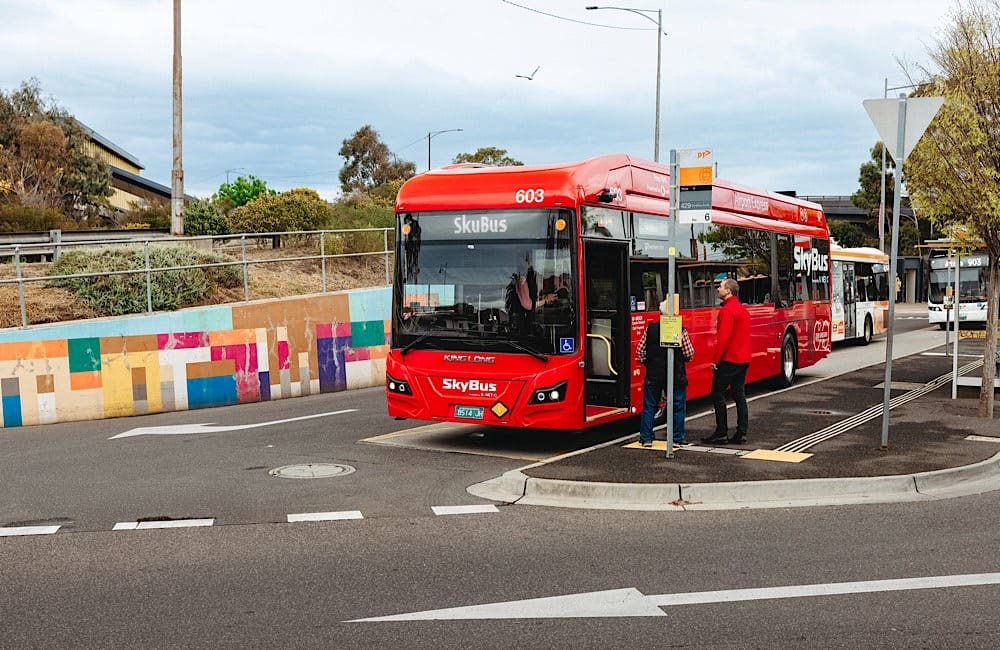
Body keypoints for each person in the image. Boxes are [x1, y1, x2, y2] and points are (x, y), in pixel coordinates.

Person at [636, 300, 695, 448]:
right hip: (676, 374)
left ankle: (646, 438)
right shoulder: (680, 330)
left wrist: (648, 363)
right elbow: (689, 353)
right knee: (677, 406)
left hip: (654, 373)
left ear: (660, 313)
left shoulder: (650, 329)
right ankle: (677, 439)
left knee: (650, 405)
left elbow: (640, 351)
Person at [702, 278, 751, 445]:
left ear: (728, 291)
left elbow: (723, 338)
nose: (718, 288)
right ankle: (741, 432)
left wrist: (715, 361)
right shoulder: (742, 309)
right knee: (739, 395)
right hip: (743, 359)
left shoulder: (727, 311)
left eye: (721, 286)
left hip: (729, 359)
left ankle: (721, 432)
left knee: (717, 394)